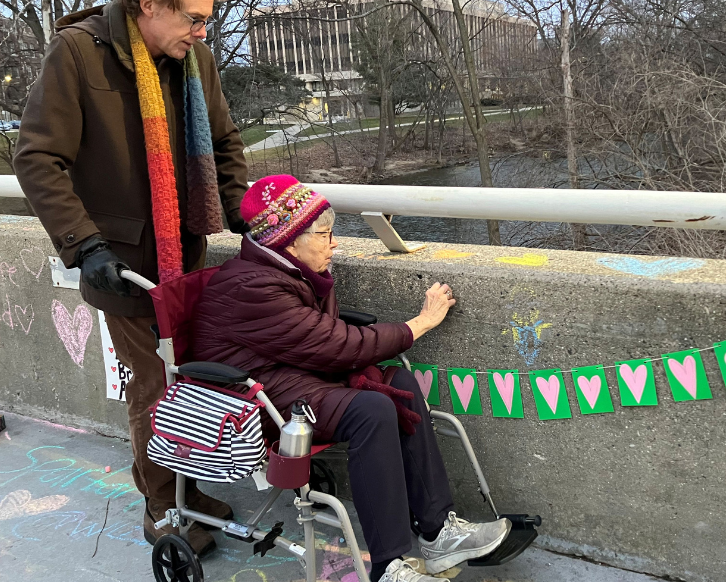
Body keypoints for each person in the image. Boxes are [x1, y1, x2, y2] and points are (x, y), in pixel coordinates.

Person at [13, 0, 248, 556]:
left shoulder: (194, 59)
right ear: (149, 3)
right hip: (118, 264)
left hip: (186, 253)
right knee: (153, 389)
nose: (202, 32)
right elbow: (38, 157)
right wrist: (84, 245)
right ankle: (161, 504)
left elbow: (223, 142)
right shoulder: (77, 52)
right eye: (193, 19)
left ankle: (192, 493)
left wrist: (248, 211)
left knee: (196, 384)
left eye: (206, 21)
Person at [192, 175, 512, 582]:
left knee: (400, 386)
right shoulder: (251, 289)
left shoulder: (293, 269)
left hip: (296, 374)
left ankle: (438, 534)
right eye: (324, 235)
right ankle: (388, 565)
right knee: (373, 409)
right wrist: (419, 324)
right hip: (253, 395)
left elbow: (322, 341)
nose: (334, 244)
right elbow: (333, 344)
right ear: (289, 240)